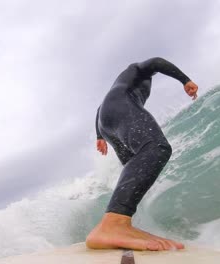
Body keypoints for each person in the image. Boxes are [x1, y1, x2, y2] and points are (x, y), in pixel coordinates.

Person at [86, 57, 198, 251]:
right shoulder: (137, 69)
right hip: (121, 105)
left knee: (136, 166)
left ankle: (122, 224)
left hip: (108, 120)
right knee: (156, 147)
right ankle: (112, 225)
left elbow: (99, 109)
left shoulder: (122, 82)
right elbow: (156, 61)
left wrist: (100, 135)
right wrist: (185, 80)